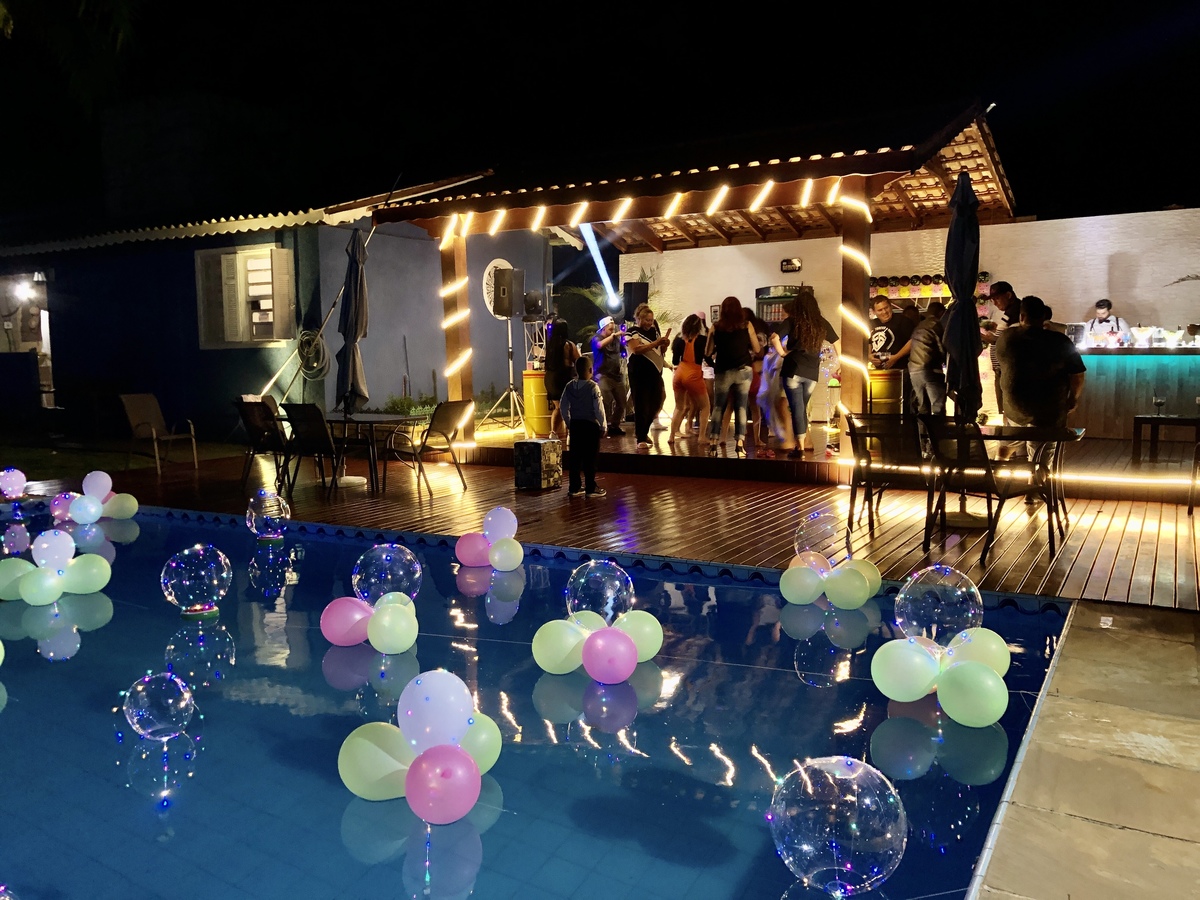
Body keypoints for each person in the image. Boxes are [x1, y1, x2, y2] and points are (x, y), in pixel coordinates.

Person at [995, 295, 1087, 479]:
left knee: (1007, 444)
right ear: (1044, 317)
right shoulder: (1059, 341)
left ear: (1022, 316)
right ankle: (1036, 489)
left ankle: (996, 475)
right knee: (1040, 459)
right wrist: (1072, 399)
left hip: (1013, 408)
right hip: (1047, 412)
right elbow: (1077, 375)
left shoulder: (1006, 338)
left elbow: (1002, 369)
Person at [770, 287, 838, 459]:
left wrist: (783, 353)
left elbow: (774, 337)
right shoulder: (820, 322)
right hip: (811, 373)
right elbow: (837, 341)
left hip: (793, 369)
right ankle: (800, 444)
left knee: (796, 409)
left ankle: (799, 448)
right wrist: (840, 364)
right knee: (801, 409)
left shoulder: (793, 321)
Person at [705, 295, 761, 457]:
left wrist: (713, 338)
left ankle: (713, 444)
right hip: (743, 370)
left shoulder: (716, 327)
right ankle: (740, 445)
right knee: (741, 407)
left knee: (718, 407)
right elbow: (757, 349)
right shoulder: (747, 325)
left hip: (723, 370)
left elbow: (708, 352)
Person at [625, 303, 671, 450]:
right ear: (639, 319)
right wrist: (656, 343)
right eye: (647, 320)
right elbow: (636, 349)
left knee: (657, 401)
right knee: (641, 404)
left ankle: (643, 431)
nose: (650, 323)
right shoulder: (631, 332)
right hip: (639, 373)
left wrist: (664, 344)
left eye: (651, 320)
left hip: (655, 373)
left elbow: (659, 351)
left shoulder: (654, 332)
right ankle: (641, 437)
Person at [560, 355, 607, 497]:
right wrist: (603, 425)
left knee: (575, 457)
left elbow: (563, 406)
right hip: (590, 426)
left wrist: (569, 422)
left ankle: (574, 487)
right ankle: (590, 487)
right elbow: (598, 408)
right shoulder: (593, 387)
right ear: (590, 370)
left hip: (576, 424)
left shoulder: (569, 386)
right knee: (590, 458)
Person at [668, 314, 710, 443]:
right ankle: (702, 437)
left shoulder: (678, 339)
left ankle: (671, 436)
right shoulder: (702, 340)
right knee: (705, 407)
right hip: (693, 373)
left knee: (679, 407)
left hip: (679, 372)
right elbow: (707, 358)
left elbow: (675, 361)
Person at [980, 281, 1018, 416]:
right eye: (992, 300)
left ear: (1008, 295)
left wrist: (978, 334)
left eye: (996, 298)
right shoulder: (1010, 312)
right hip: (1003, 369)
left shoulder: (1014, 312)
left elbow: (1000, 340)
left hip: (1006, 369)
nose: (995, 303)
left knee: (1007, 408)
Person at [543, 317, 580, 440]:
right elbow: (579, 361)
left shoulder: (550, 345)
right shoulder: (569, 345)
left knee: (558, 407)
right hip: (564, 377)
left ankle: (553, 433)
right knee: (570, 407)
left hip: (550, 378)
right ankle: (570, 433)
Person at [908, 301, 947, 416]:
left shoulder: (919, 326)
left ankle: (922, 428)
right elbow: (942, 347)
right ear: (941, 313)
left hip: (914, 370)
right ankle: (937, 428)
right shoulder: (936, 325)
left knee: (922, 408)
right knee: (937, 406)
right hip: (930, 369)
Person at [591, 315, 626, 437]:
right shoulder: (596, 338)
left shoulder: (615, 339)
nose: (612, 331)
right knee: (605, 402)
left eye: (613, 329)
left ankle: (614, 425)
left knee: (622, 402)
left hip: (616, 375)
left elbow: (623, 350)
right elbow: (599, 345)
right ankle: (602, 427)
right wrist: (614, 336)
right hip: (603, 375)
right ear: (603, 329)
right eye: (610, 329)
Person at [869, 296, 915, 370]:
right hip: (878, 369)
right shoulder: (871, 324)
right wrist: (869, 356)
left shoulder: (903, 321)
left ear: (891, 306)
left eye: (886, 308)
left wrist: (895, 357)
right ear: (874, 312)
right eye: (880, 310)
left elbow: (912, 341)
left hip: (900, 368)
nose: (884, 312)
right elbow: (869, 342)